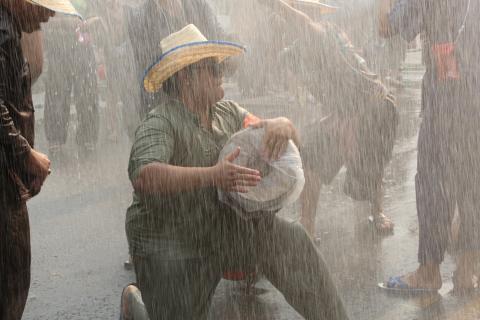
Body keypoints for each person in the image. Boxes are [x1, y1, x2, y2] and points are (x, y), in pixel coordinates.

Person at [122, 24, 350, 320]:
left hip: (216, 227)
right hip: (169, 239)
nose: (222, 73)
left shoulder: (226, 113)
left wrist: (284, 124)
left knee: (288, 239)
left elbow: (269, 131)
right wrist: (213, 175)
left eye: (221, 66)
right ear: (186, 77)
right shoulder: (161, 122)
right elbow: (145, 177)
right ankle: (135, 306)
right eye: (212, 68)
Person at [256, 0, 398, 236]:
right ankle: (307, 225)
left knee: (369, 166)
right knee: (310, 153)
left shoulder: (322, 34)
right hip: (347, 111)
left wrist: (273, 3)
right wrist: (338, 118)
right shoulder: (294, 53)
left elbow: (302, 22)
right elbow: (331, 93)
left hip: (376, 107)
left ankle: (378, 211)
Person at [378, 0, 480, 293]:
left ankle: (429, 272)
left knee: (435, 185)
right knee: (473, 185)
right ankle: (467, 271)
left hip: (447, 105)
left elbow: (386, 26)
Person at [0, 1, 79, 318]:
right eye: (43, 5)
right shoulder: (3, 31)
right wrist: (25, 153)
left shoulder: (9, 27)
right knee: (12, 278)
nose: (50, 14)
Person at [126, 0, 231, 119]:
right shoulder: (141, 18)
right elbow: (150, 67)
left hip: (203, 102)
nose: (219, 74)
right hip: (163, 105)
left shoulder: (198, 6)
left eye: (215, 68)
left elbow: (218, 39)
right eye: (214, 69)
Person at [42, 0, 99, 158]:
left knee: (88, 94)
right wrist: (67, 23)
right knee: (56, 94)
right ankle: (56, 139)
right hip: (58, 48)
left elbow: (97, 16)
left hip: (83, 49)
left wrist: (89, 23)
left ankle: (87, 136)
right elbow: (45, 19)